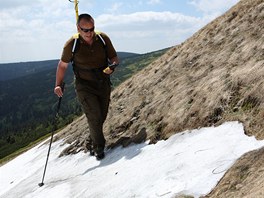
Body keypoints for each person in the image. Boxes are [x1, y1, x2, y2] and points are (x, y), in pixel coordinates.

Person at [54, 13, 119, 160]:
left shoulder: (102, 38)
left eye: (92, 29)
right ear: (78, 28)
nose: (89, 33)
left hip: (103, 83)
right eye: (85, 30)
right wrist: (58, 85)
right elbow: (62, 65)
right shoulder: (71, 44)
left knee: (102, 115)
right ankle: (99, 148)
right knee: (94, 115)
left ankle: (90, 141)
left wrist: (112, 66)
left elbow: (114, 57)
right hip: (84, 86)